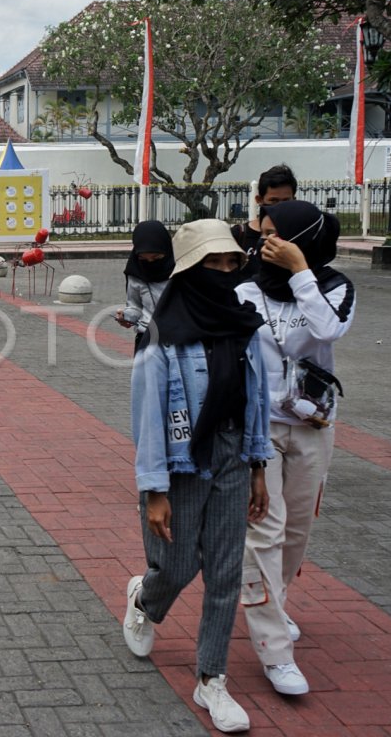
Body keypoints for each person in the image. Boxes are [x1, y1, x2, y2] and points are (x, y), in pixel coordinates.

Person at [124, 219, 272, 734]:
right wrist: (154, 492)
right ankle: (145, 598)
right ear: (188, 270)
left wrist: (257, 467)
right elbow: (147, 420)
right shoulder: (162, 338)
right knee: (176, 564)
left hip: (232, 454)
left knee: (226, 571)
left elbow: (255, 403)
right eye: (214, 263)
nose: (226, 271)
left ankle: (212, 677)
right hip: (183, 460)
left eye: (232, 262)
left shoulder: (244, 328)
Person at [236, 200, 354, 697]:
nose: (266, 245)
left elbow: (328, 330)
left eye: (275, 236)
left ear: (302, 241)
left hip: (312, 427)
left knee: (296, 534)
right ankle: (274, 652)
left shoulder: (334, 287)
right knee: (264, 533)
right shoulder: (243, 287)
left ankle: (276, 608)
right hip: (259, 430)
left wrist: (301, 271)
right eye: (261, 235)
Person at [232, 164, 298, 277]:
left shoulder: (299, 234)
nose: (280, 207)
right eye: (274, 201)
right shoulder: (239, 235)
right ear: (259, 200)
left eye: (286, 201)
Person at [118, 220, 175, 349]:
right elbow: (135, 305)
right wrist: (126, 316)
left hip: (180, 340)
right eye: (143, 259)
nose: (150, 263)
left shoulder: (182, 271)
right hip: (147, 340)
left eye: (156, 258)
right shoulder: (136, 273)